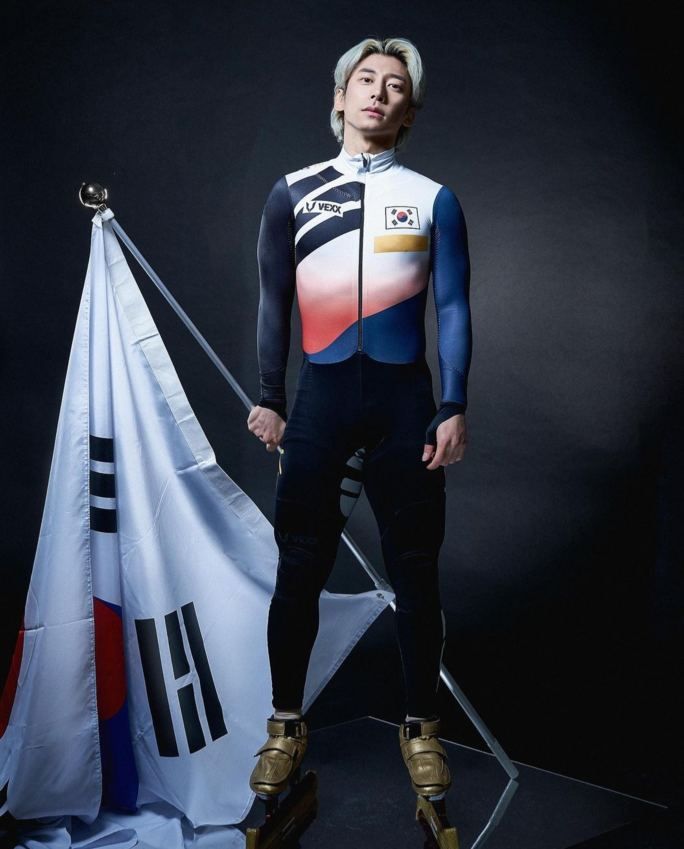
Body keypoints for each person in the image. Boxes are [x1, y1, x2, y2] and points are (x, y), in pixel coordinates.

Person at [246, 36, 472, 803]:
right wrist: (270, 395)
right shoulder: (294, 191)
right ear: (340, 97)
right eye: (365, 79)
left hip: (407, 406)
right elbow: (274, 300)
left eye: (395, 85)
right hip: (323, 401)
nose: (378, 91)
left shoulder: (434, 197)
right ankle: (285, 725)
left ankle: (421, 728)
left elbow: (453, 306)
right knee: (299, 566)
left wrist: (454, 404)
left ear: (409, 111)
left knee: (417, 570)